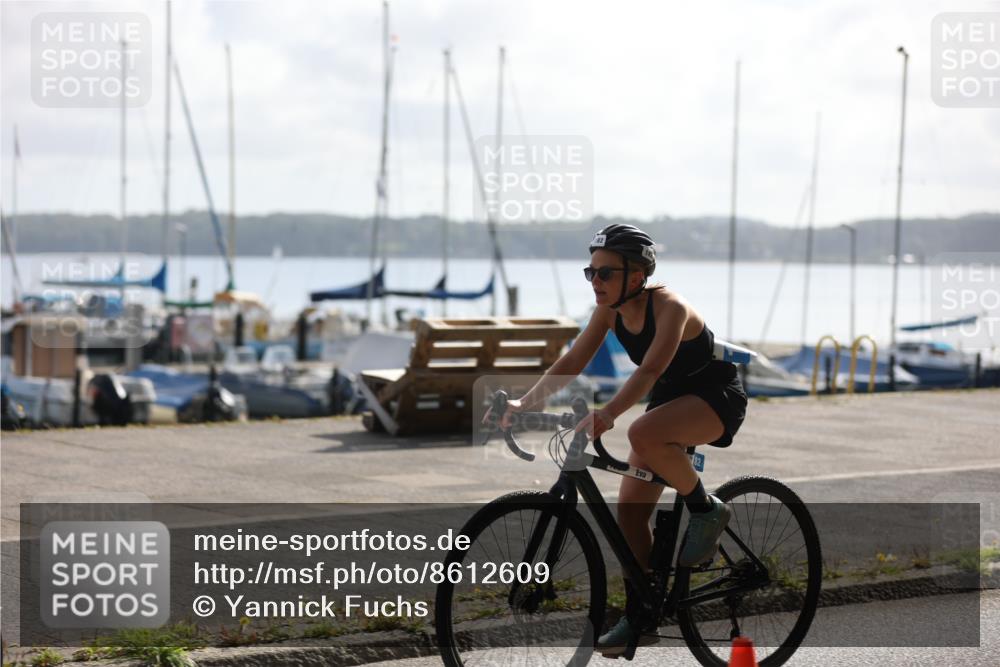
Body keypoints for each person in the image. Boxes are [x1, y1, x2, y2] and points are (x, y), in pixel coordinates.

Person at [495, 223, 748, 656]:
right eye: (590, 272)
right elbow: (574, 358)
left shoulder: (671, 307)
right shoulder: (609, 310)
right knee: (630, 515)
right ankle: (643, 613)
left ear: (636, 275)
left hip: (714, 396)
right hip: (671, 400)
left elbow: (649, 371)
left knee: (642, 431)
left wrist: (608, 414)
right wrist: (523, 402)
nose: (596, 282)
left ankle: (707, 510)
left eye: (605, 273)